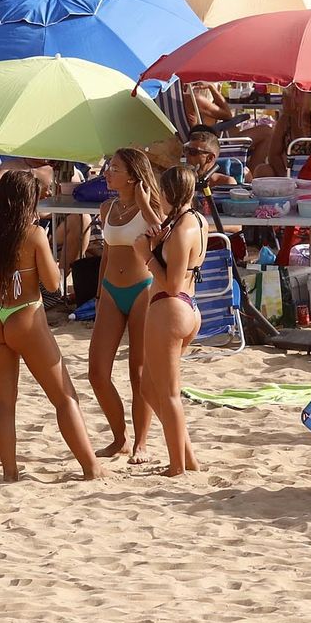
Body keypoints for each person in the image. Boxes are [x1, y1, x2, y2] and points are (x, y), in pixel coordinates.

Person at [0, 170, 101, 481]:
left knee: (4, 401)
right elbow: (54, 284)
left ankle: (10, 472)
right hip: (25, 315)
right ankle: (91, 468)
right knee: (64, 396)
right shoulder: (32, 234)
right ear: (27, 201)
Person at [89, 148, 165, 461]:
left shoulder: (152, 208)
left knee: (139, 372)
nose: (107, 172)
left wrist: (145, 205)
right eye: (109, 166)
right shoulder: (107, 207)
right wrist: (97, 294)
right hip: (110, 291)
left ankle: (141, 443)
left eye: (115, 168)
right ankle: (120, 437)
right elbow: (107, 253)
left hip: (142, 289)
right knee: (97, 372)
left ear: (133, 176)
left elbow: (164, 238)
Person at [136, 164, 207, 475]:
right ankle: (187, 457)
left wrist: (145, 255)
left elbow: (172, 284)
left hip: (170, 309)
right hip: (185, 309)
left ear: (169, 193)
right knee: (149, 389)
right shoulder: (194, 220)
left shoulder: (182, 230)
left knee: (168, 393)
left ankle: (177, 465)